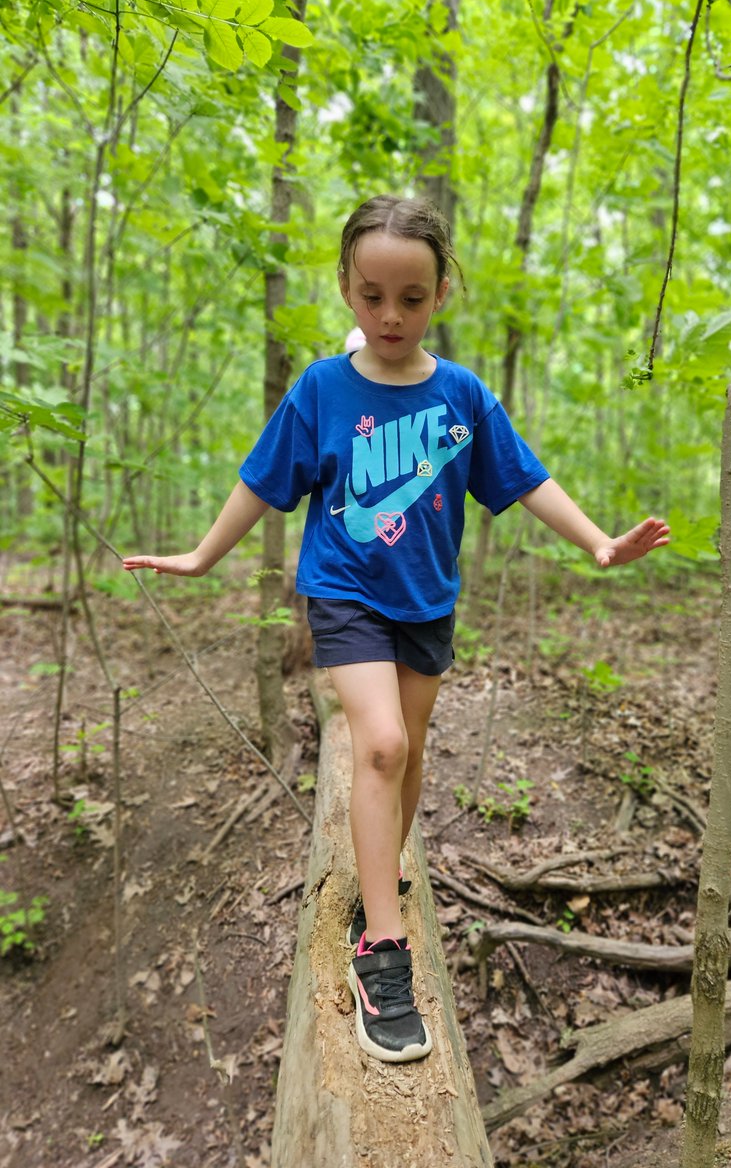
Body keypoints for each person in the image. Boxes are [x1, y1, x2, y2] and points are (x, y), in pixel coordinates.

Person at [123, 195, 669, 1065]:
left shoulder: (462, 396)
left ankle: (380, 880)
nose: (388, 315)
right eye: (371, 295)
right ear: (346, 286)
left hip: (428, 600)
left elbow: (526, 479)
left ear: (441, 293)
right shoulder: (321, 388)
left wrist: (599, 541)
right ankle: (383, 945)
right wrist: (200, 556)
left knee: (407, 754)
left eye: (410, 298)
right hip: (345, 593)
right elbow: (264, 480)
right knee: (378, 746)